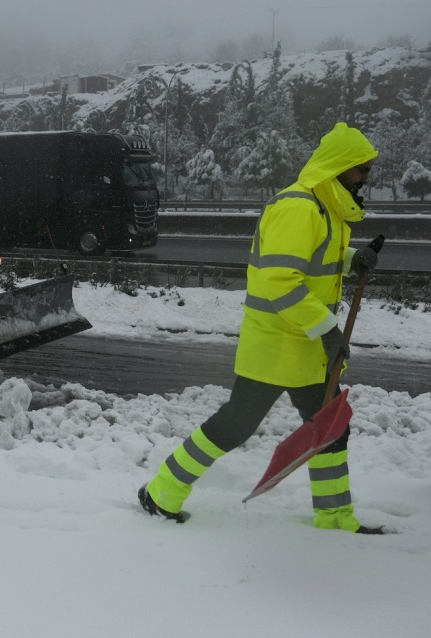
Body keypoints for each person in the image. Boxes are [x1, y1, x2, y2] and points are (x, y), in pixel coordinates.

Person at [138, 122, 385, 534]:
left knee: (331, 429)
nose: (367, 178)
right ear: (338, 167)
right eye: (362, 169)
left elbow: (312, 260)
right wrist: (327, 329)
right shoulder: (299, 207)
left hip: (305, 346)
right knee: (234, 426)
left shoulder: (327, 209)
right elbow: (278, 279)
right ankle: (161, 491)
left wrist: (352, 260)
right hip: (276, 345)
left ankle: (335, 517)